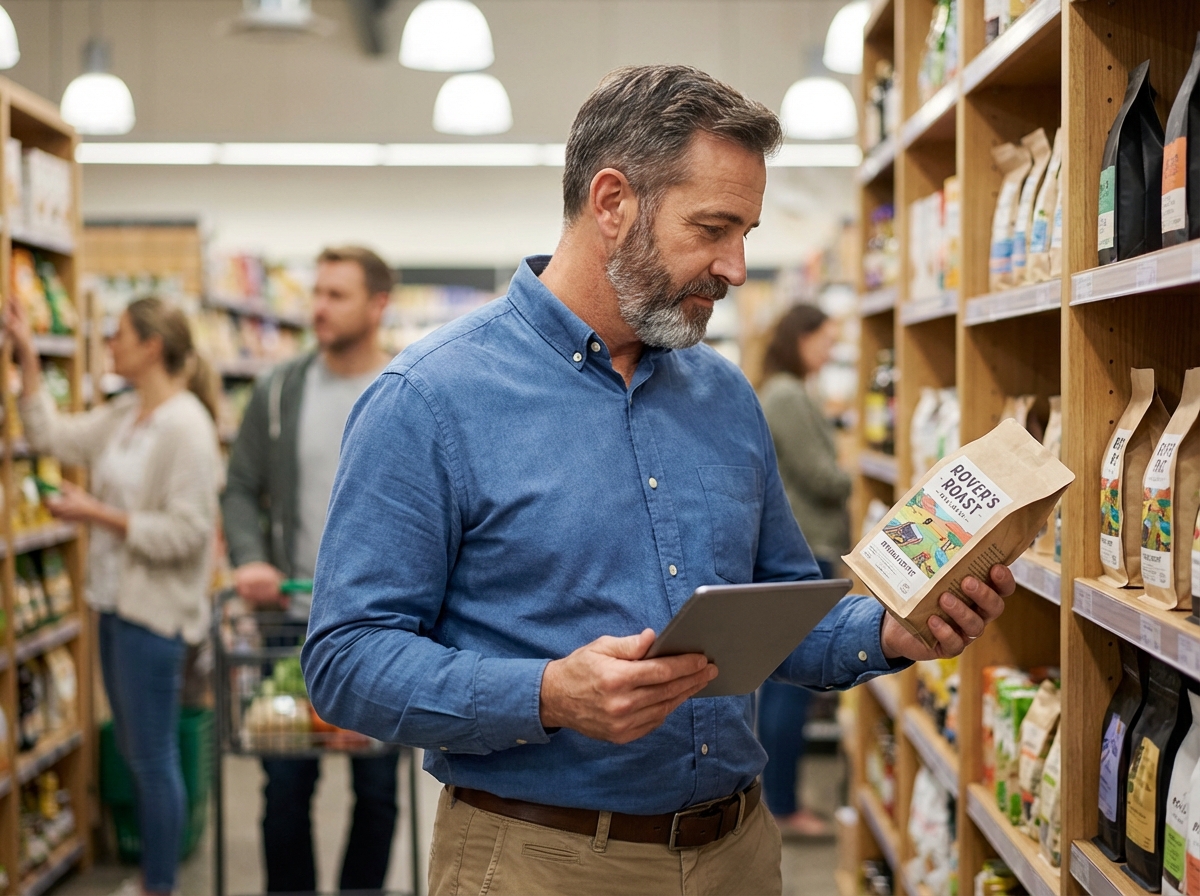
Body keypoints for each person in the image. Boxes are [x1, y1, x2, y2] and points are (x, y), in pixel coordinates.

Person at [302, 65, 1014, 896]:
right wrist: (548, 693)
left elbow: (778, 606)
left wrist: (892, 632)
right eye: (713, 228)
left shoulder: (724, 395)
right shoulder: (428, 400)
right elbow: (346, 660)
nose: (738, 267)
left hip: (739, 852)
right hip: (539, 861)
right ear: (612, 203)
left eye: (745, 231)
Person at [6, 297, 222, 896]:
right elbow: (52, 434)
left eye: (118, 335)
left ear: (152, 347)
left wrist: (95, 513)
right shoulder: (127, 415)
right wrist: (24, 350)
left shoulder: (188, 427)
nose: (110, 345)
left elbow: (187, 535)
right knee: (136, 750)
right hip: (112, 605)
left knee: (152, 760)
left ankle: (159, 886)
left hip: (154, 616)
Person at [221, 246, 398, 894]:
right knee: (284, 788)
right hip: (290, 621)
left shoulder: (407, 387)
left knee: (378, 790)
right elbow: (240, 487)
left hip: (386, 627)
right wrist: (250, 557)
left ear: (378, 305)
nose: (316, 307)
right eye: (316, 292)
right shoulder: (279, 392)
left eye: (336, 295)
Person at [757, 304, 851, 838]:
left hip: (804, 544)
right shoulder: (788, 396)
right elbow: (822, 478)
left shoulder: (787, 391)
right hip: (805, 546)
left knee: (780, 684)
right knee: (790, 685)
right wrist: (851, 474)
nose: (830, 352)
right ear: (800, 339)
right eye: (825, 340)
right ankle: (785, 805)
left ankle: (779, 800)